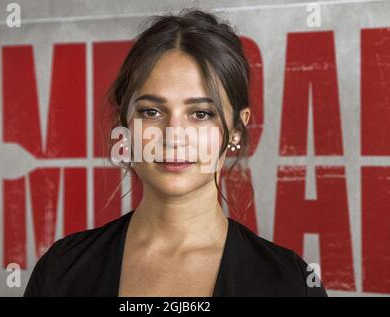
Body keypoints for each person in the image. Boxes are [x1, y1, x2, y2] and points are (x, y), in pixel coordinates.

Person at [24, 8, 327, 297]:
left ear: (236, 128)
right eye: (152, 111)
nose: (173, 136)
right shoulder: (62, 271)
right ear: (125, 124)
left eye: (200, 114)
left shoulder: (290, 284)